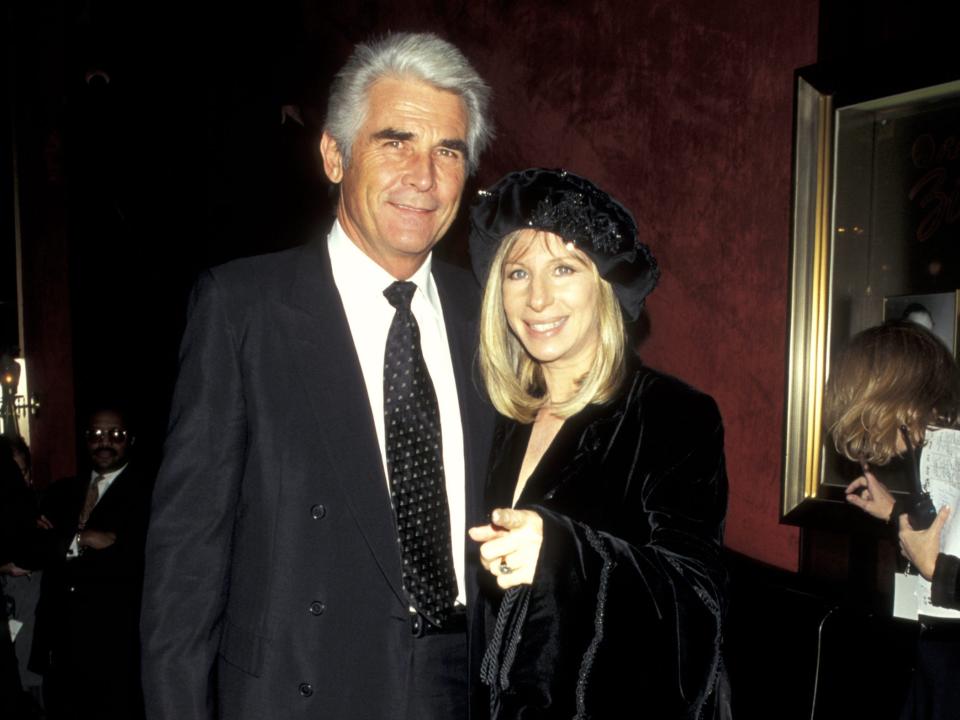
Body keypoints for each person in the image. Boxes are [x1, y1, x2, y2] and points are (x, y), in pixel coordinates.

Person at [140, 32, 495, 720]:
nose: (424, 176)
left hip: (462, 684)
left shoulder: (487, 313)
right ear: (334, 155)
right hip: (299, 688)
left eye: (448, 152)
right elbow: (185, 566)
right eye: (396, 142)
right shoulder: (243, 309)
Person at [466, 169, 729, 719]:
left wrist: (563, 555)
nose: (537, 297)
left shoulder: (673, 415)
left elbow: (697, 608)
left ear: (605, 284)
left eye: (564, 268)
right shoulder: (492, 417)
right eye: (518, 272)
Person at [824, 320, 960, 719]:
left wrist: (937, 570)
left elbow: (939, 561)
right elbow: (947, 534)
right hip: (934, 664)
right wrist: (893, 514)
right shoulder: (938, 445)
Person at [29, 406, 152, 720]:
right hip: (60, 651)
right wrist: (82, 540)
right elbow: (35, 546)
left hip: (117, 653)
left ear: (131, 440)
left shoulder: (150, 494)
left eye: (116, 435)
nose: (105, 442)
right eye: (96, 435)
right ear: (85, 439)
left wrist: (62, 540)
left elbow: (134, 557)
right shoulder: (61, 492)